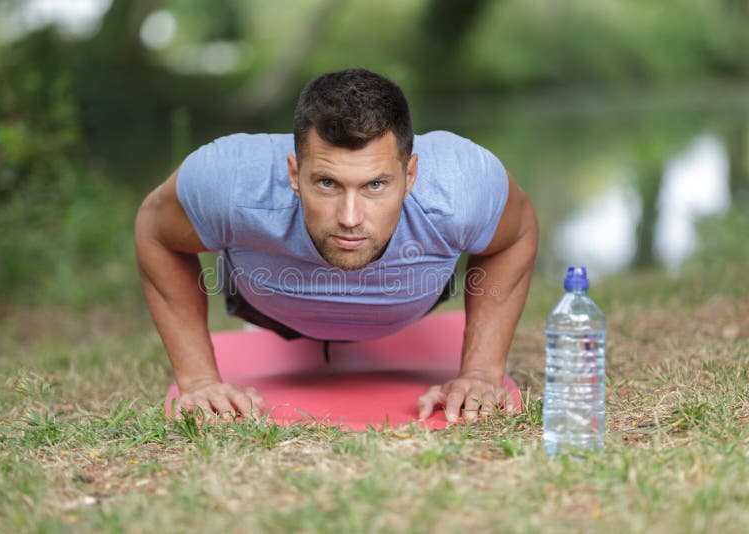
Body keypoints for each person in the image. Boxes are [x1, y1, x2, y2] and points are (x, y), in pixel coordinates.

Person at [135, 68, 538, 424]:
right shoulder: (233, 180)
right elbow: (156, 232)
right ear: (294, 173)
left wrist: (482, 372)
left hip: (412, 296)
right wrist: (199, 379)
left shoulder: (460, 186)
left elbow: (515, 235)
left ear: (411, 173)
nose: (349, 217)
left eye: (375, 185)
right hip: (270, 305)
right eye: (327, 183)